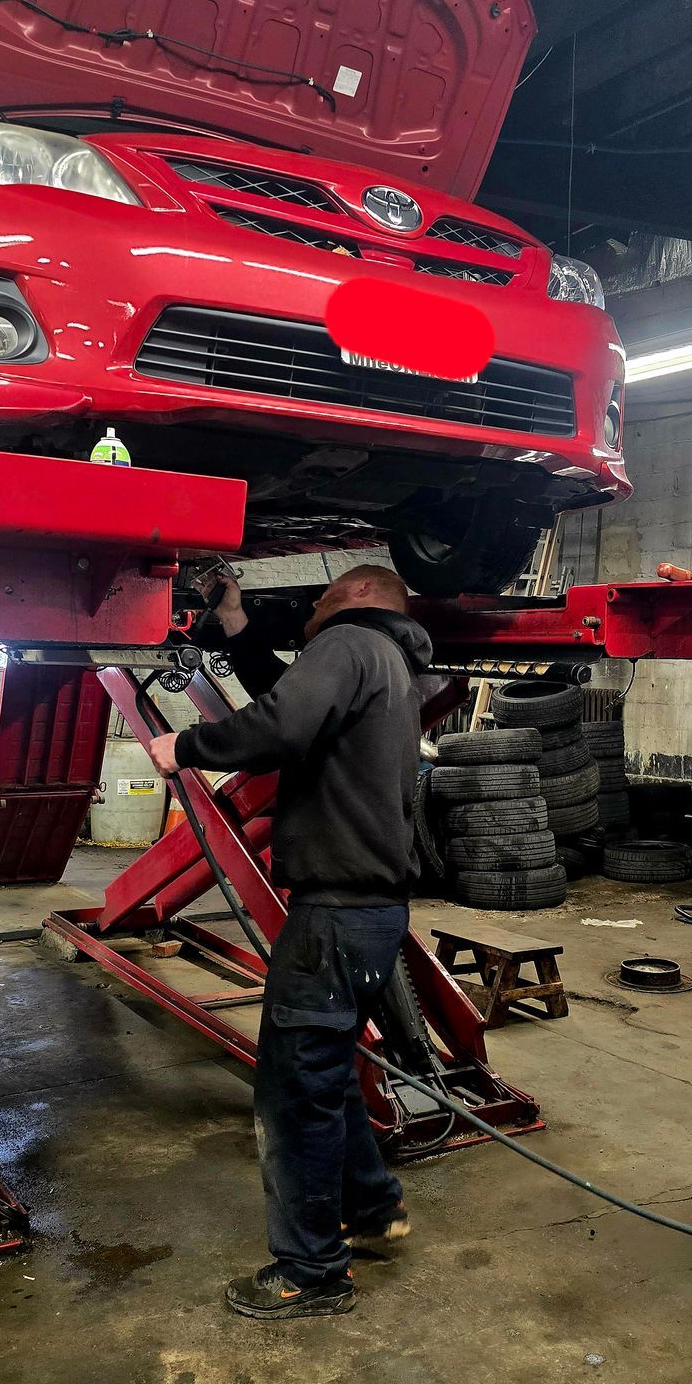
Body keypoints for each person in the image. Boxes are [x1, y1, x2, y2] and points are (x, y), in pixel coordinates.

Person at [148, 563, 431, 1319]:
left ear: (360, 595)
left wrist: (188, 745)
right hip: (368, 914)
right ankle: (372, 1209)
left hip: (335, 915)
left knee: (293, 1092)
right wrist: (234, 622)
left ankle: (311, 1272)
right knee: (326, 1076)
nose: (311, 610)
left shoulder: (348, 642)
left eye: (323, 600)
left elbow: (279, 724)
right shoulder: (390, 661)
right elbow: (289, 694)